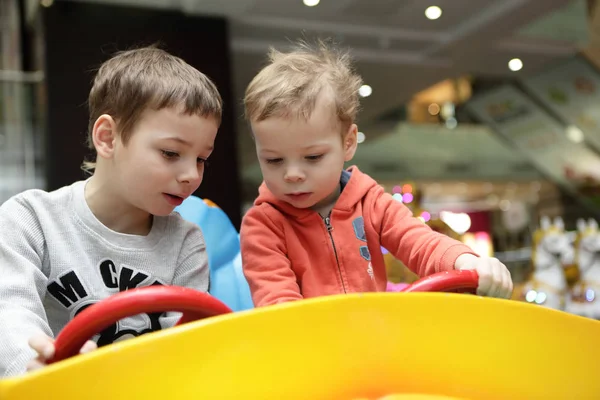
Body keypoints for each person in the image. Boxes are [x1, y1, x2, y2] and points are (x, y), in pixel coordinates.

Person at [0, 46, 222, 376]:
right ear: (108, 138)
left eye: (201, 159)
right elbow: (10, 314)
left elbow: (188, 351)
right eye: (171, 153)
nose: (192, 174)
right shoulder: (29, 219)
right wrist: (37, 369)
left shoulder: (186, 242)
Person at [240, 40, 513, 307]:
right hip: (310, 346)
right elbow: (278, 304)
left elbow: (419, 241)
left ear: (348, 143)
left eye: (312, 157)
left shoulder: (370, 203)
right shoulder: (264, 225)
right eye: (274, 160)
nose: (293, 174)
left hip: (372, 338)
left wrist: (468, 262)